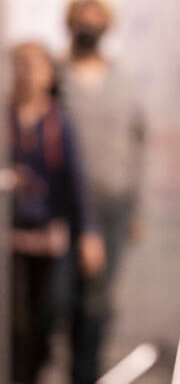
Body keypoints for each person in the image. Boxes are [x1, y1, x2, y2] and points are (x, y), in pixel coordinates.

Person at [55, 0, 147, 384]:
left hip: (114, 203)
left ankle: (86, 373)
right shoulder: (56, 78)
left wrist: (136, 208)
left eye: (96, 22)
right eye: (83, 21)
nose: (89, 29)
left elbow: (138, 141)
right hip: (65, 208)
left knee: (99, 300)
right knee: (59, 298)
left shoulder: (121, 79)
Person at [8, 41, 103, 384]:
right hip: (11, 239)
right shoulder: (6, 119)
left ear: (49, 74)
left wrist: (89, 233)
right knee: (13, 322)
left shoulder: (59, 122)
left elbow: (76, 183)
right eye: (20, 65)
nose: (27, 73)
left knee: (47, 316)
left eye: (34, 65)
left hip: (49, 237)